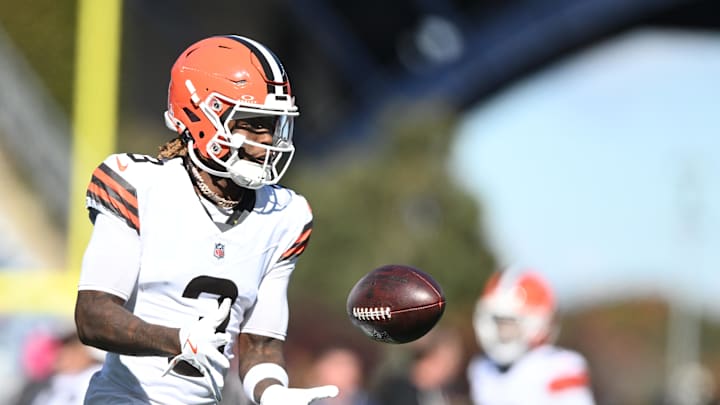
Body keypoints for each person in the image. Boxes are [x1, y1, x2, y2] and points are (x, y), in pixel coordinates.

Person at [74, 34, 339, 405]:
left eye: (274, 124)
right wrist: (179, 339)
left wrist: (273, 393)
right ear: (202, 116)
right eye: (253, 123)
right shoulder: (138, 184)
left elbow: (260, 344)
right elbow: (93, 316)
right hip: (126, 397)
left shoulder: (286, 215)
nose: (269, 141)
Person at [467, 268, 596, 405]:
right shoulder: (482, 368)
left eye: (510, 323)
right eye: (498, 323)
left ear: (538, 325)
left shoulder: (559, 366)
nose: (503, 332)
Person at [372, 327, 467, 405]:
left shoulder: (445, 393)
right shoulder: (396, 391)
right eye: (447, 364)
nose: (452, 371)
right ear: (427, 359)